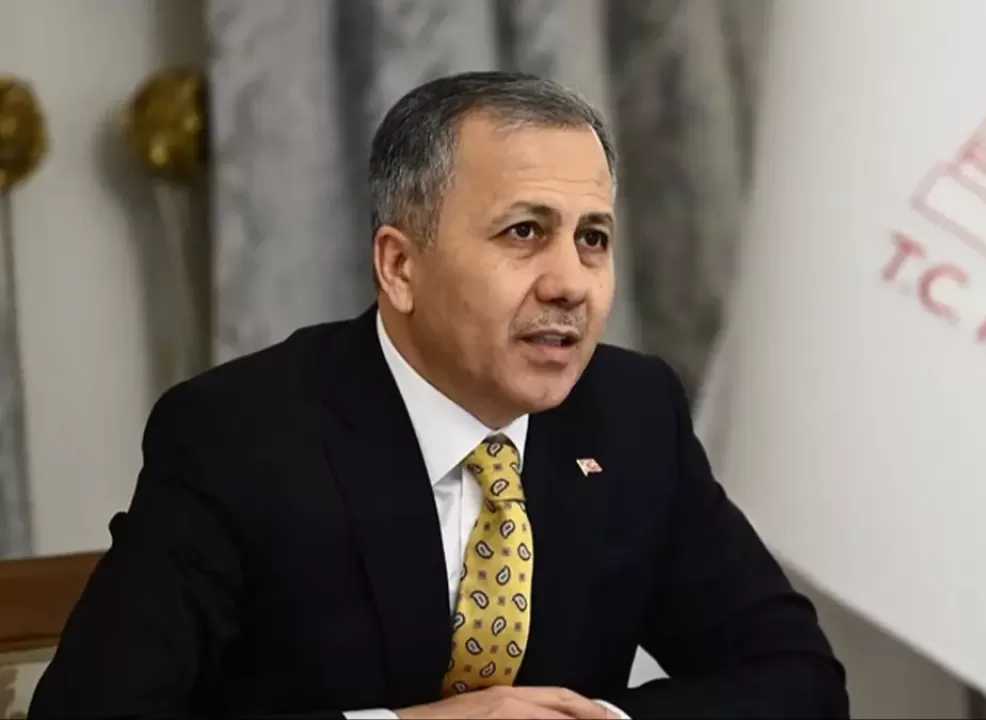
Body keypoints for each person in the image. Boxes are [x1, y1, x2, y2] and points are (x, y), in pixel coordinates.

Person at [29, 71, 847, 720]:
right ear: (400, 266)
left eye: (592, 238)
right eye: (524, 232)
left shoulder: (633, 415)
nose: (570, 283)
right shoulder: (239, 436)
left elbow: (796, 677)